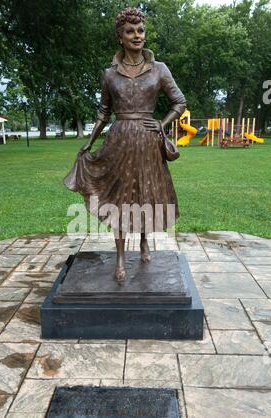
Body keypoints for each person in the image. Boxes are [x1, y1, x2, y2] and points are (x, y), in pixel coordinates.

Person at [64, 7, 186, 282]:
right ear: (120, 37)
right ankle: (119, 256)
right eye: (130, 31)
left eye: (140, 30)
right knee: (120, 200)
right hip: (118, 142)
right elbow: (103, 113)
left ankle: (144, 241)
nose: (137, 35)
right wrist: (89, 142)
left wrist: (162, 124)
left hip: (147, 142)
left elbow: (179, 102)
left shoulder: (160, 69)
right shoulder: (110, 75)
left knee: (145, 194)